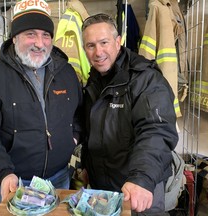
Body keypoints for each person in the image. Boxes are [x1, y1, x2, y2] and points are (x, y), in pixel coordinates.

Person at [0, 0, 83, 204]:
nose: (40, 42)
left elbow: (79, 112)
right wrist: (2, 172)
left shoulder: (66, 73)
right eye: (31, 34)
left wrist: (73, 138)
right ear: (15, 37)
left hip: (60, 178)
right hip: (16, 183)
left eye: (46, 35)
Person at [80, 13, 179, 215]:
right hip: (103, 186)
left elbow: (156, 131)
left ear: (118, 41)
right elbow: (93, 131)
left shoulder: (145, 79)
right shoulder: (94, 80)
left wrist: (141, 178)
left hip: (138, 188)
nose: (98, 52)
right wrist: (86, 165)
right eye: (91, 45)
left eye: (104, 42)